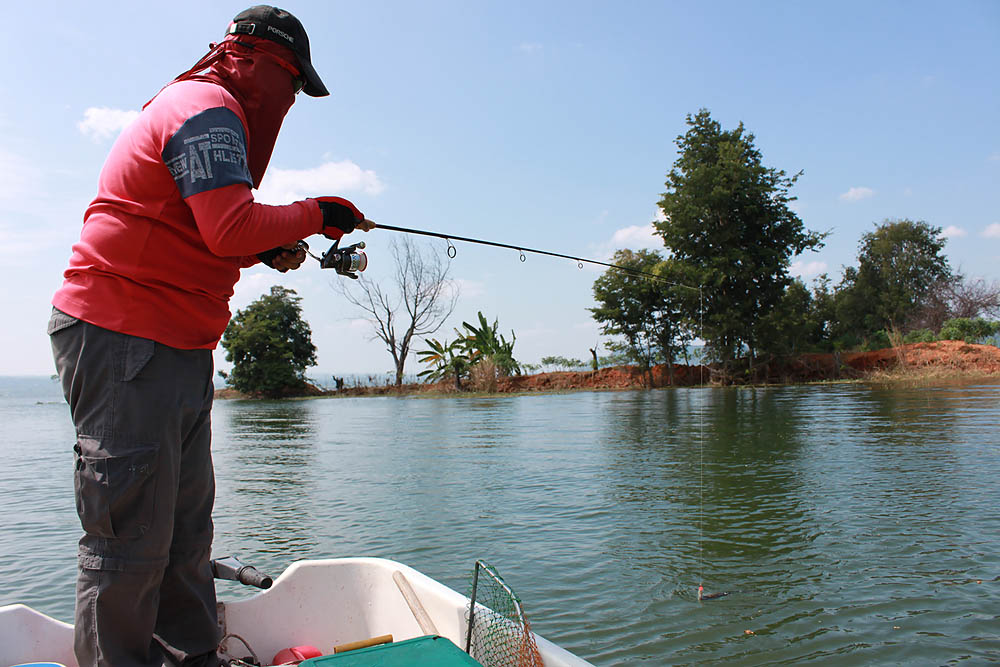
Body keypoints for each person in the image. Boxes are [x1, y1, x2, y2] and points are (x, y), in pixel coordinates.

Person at [48, 6, 373, 666]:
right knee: (130, 540)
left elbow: (203, 229)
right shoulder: (206, 107)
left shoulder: (209, 112)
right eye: (293, 84)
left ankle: (193, 659)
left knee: (186, 533)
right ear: (263, 64)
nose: (291, 102)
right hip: (122, 337)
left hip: (177, 348)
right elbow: (227, 226)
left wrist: (266, 248)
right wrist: (317, 213)